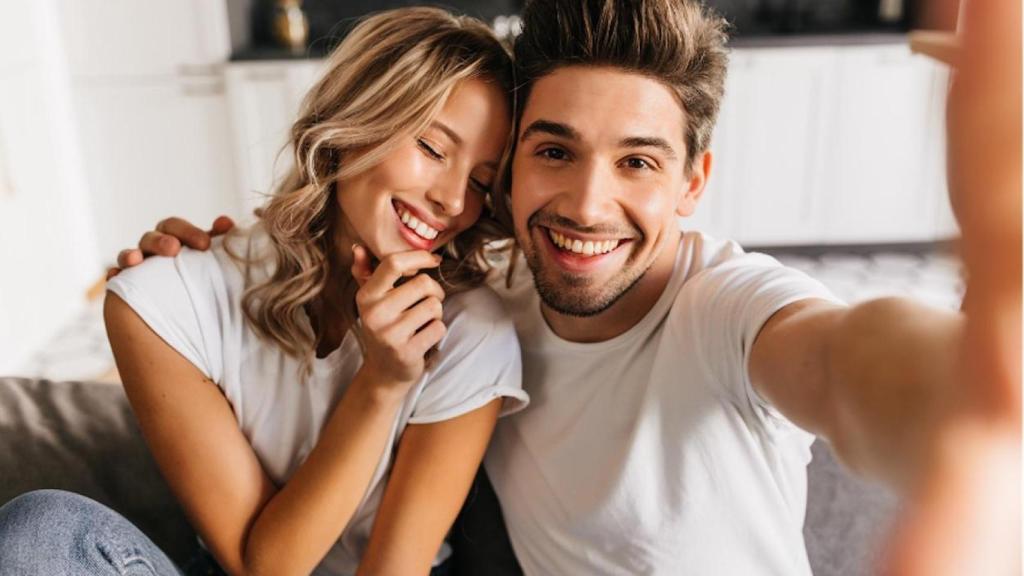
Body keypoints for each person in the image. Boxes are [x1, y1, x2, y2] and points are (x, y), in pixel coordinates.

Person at [77, 0, 1024, 574]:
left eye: (639, 162)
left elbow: (844, 360)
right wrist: (192, 264)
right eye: (553, 152)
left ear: (694, 182)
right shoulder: (485, 311)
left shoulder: (731, 311)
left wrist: (972, 381)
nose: (585, 203)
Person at [0, 7, 529, 576]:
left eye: (480, 181)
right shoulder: (163, 302)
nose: (453, 200)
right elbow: (263, 567)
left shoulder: (473, 331)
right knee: (41, 530)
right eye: (432, 148)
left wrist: (389, 381)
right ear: (353, 121)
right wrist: (379, 383)